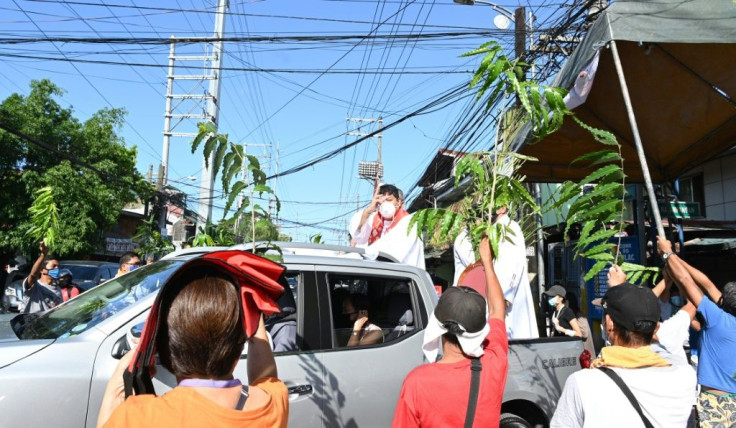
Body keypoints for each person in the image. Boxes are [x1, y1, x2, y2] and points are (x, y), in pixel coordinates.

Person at [97, 253, 289, 428]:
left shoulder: (137, 416)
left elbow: (110, 413)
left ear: (165, 347)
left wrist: (129, 365)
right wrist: (252, 315)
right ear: (239, 345)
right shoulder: (270, 406)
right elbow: (266, 377)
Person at [551, 266, 697, 428]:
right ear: (656, 328)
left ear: (610, 324)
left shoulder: (583, 384)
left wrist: (619, 290)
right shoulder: (684, 377)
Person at [391, 236, 508, 427]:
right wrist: (487, 262)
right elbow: (497, 311)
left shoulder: (417, 382)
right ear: (479, 331)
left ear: (437, 326)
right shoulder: (494, 363)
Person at [657, 236, 736, 426]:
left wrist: (667, 254)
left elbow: (687, 281)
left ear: (723, 303)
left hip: (716, 402)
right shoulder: (724, 316)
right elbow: (707, 283)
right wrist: (675, 258)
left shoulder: (718, 319)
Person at [453, 206, 538, 339]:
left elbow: (507, 275)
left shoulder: (507, 229)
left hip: (503, 318)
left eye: (487, 206)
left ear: (502, 209)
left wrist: (500, 306)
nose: (484, 210)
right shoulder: (485, 232)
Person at [351, 183, 425, 269]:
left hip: (403, 275)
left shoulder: (409, 222)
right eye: (382, 201)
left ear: (399, 202)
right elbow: (359, 239)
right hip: (379, 272)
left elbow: (391, 253)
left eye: (389, 200)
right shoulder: (374, 219)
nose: (385, 204)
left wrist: (364, 254)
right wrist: (368, 211)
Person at [22, 241, 62, 314]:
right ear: (42, 270)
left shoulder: (58, 289)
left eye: (58, 267)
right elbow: (33, 275)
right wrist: (43, 255)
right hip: (33, 324)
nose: (57, 269)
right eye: (53, 266)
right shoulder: (35, 286)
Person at [566, 292, 595, 358]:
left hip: (585, 355)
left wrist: (570, 331)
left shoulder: (579, 315)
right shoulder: (571, 315)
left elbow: (584, 334)